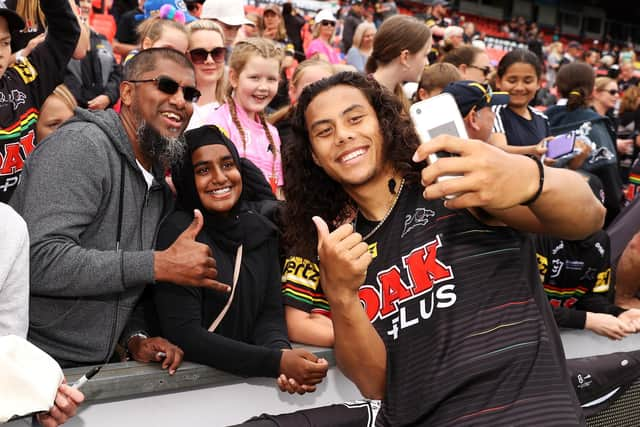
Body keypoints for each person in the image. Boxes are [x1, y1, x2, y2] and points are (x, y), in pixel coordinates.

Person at [282, 71, 604, 425]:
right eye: (324, 131)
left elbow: (588, 218)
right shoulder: (344, 249)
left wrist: (529, 179)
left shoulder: (456, 185)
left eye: (355, 118)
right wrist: (341, 293)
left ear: (384, 122)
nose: (343, 135)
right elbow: (374, 383)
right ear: (313, 155)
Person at [10, 48, 225, 370]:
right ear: (126, 91)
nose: (181, 100)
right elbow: (37, 260)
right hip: (29, 363)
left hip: (91, 367)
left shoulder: (155, 178)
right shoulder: (80, 146)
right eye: (166, 85)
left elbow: (119, 280)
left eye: (190, 93)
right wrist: (155, 264)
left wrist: (135, 337)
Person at [154, 125, 329, 393]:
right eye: (203, 170)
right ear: (187, 179)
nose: (219, 177)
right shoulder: (179, 232)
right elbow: (185, 335)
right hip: (189, 395)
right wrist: (275, 362)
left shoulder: (261, 230)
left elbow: (268, 316)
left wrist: (282, 353)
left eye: (228, 165)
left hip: (245, 390)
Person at [0, 0, 80, 203]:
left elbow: (65, 33)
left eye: (5, 42)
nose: (0, 53)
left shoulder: (24, 80)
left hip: (26, 222)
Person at [546, 62, 624, 226]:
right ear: (591, 91)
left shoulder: (539, 118)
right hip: (581, 218)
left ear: (558, 89)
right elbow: (608, 176)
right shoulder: (596, 125)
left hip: (540, 211)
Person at [205, 38, 284, 197]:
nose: (263, 87)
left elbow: (278, 191)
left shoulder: (273, 133)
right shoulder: (218, 123)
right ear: (234, 78)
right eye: (254, 77)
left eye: (271, 79)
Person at [535, 231, 640, 340]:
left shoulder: (601, 239)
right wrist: (587, 320)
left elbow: (589, 296)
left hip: (563, 331)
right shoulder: (536, 235)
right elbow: (528, 305)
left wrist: (618, 312)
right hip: (527, 328)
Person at [491, 48, 550, 155]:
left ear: (538, 84)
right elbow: (498, 150)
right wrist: (533, 151)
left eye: (527, 81)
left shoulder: (542, 118)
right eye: (512, 81)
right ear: (498, 82)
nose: (519, 87)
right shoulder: (493, 112)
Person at [366, 15, 431, 109]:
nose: (427, 63)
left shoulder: (392, 95)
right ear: (405, 57)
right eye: (425, 55)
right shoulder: (366, 101)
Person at [64, 25, 122, 110]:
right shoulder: (62, 41)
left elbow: (116, 74)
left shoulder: (101, 39)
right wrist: (91, 103)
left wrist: (108, 97)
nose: (84, 11)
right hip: (75, 110)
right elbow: (65, 78)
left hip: (106, 110)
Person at [185, 19, 226, 130]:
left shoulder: (235, 110)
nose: (209, 60)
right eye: (199, 54)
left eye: (217, 53)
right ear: (185, 56)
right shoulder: (173, 106)